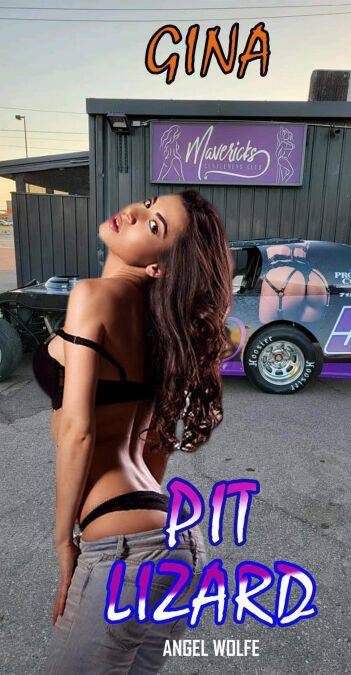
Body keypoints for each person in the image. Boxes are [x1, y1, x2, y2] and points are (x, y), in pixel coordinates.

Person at [33, 189, 233, 673]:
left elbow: (78, 431)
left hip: (123, 551)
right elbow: (155, 444)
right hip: (179, 546)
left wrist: (64, 541)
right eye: (148, 204)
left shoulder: (93, 296)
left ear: (159, 267)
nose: (135, 213)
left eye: (154, 224)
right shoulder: (162, 325)